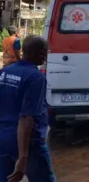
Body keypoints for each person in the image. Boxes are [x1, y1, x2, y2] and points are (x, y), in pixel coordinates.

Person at [0, 35, 56, 182]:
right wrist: (23, 157)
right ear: (40, 52)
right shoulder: (36, 77)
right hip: (29, 142)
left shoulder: (4, 72)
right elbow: (26, 119)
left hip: (3, 139)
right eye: (45, 51)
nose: (46, 55)